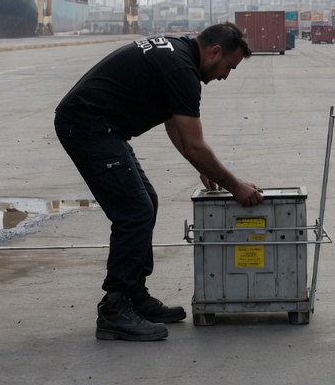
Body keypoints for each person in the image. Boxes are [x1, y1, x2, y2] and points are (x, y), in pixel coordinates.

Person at [54, 23, 264, 342]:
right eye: (228, 67)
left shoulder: (179, 52)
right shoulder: (182, 70)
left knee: (146, 201)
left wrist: (201, 166)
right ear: (215, 52)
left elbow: (173, 125)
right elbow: (194, 143)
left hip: (100, 125)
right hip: (87, 125)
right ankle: (115, 307)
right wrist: (235, 185)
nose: (225, 75)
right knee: (134, 209)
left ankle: (135, 297)